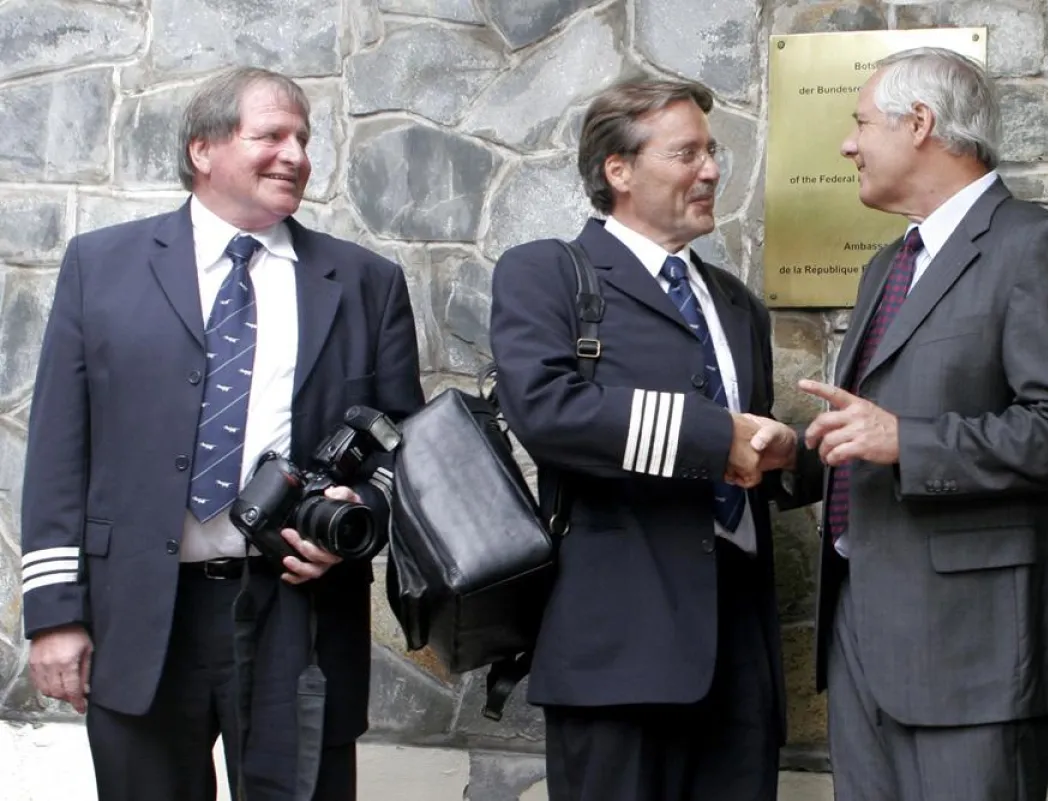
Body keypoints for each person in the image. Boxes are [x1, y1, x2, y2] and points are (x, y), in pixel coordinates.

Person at [19, 66, 424, 801]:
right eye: (271, 135)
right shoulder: (101, 267)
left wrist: (354, 518)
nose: (296, 154)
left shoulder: (367, 282)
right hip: (140, 611)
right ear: (203, 150)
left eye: (304, 138)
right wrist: (54, 616)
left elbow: (407, 448)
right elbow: (56, 451)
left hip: (297, 617)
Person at [773, 47, 1048, 800]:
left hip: (975, 649)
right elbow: (868, 429)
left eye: (861, 122)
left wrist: (908, 442)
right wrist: (790, 456)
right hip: (862, 629)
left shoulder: (1036, 248)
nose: (847, 143)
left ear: (920, 123)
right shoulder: (887, 264)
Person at [489, 78, 801, 801]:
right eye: (687, 152)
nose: (713, 170)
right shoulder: (547, 274)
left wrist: (793, 455)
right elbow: (547, 411)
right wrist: (718, 435)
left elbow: (751, 451)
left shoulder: (736, 303)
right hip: (617, 650)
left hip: (739, 655)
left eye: (712, 152)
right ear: (618, 171)